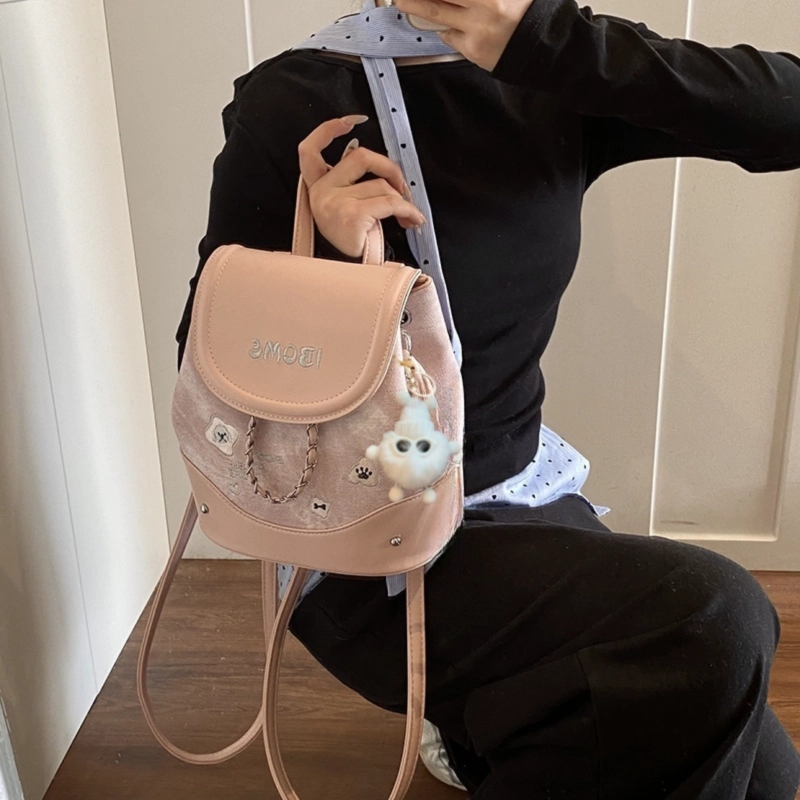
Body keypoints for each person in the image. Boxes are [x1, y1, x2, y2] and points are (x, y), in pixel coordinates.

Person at [174, 0, 800, 796]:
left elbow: (785, 114)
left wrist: (548, 43)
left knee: (764, 773)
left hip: (523, 500)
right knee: (716, 622)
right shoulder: (296, 98)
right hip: (364, 535)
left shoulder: (552, 68)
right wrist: (325, 267)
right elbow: (210, 383)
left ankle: (499, 725)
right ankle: (498, 714)